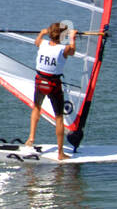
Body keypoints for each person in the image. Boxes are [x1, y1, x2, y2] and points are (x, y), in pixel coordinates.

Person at [25, 21, 78, 160]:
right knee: (59, 117)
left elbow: (37, 41)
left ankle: (31, 139)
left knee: (36, 108)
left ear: (50, 34)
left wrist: (42, 33)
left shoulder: (42, 43)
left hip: (40, 82)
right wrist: (73, 37)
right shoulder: (63, 49)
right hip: (53, 85)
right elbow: (72, 51)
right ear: (62, 36)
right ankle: (60, 153)